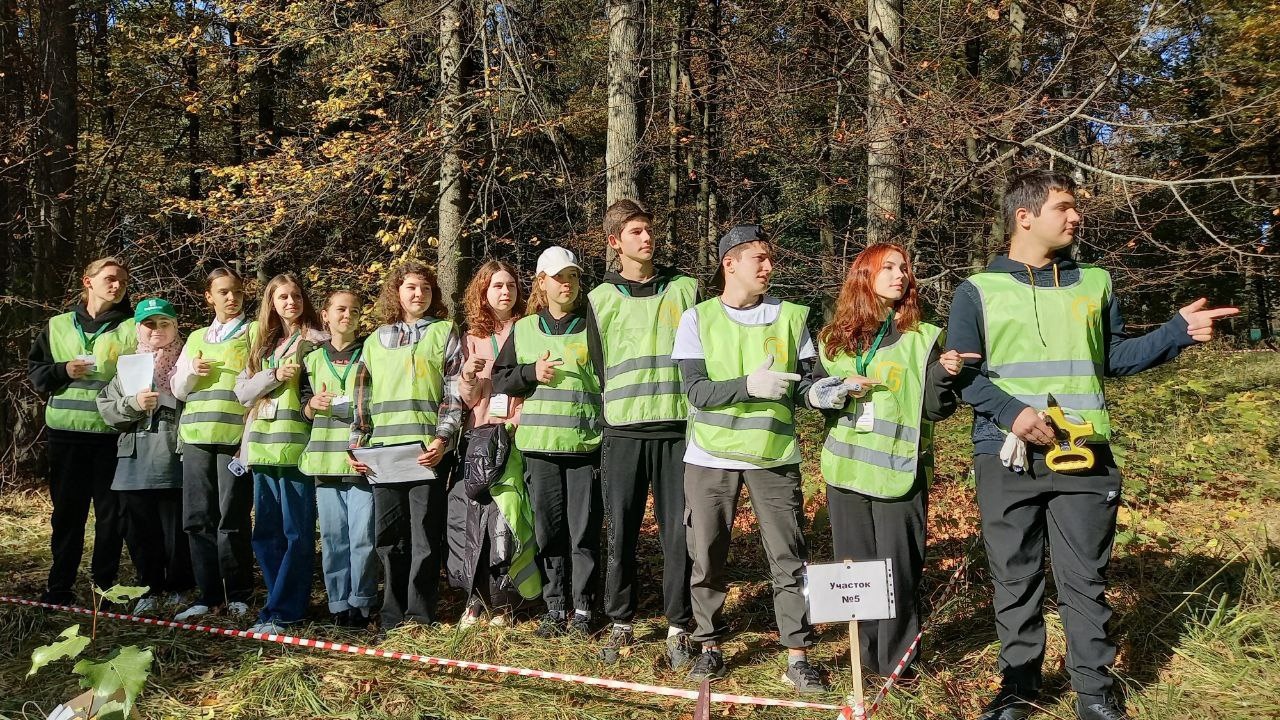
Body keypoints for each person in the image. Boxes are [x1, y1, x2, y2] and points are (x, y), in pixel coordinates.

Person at [946, 170, 1238, 720]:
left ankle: (1095, 693)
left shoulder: (1095, 282)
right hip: (1004, 455)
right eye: (1064, 207)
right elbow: (961, 376)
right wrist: (1014, 414)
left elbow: (1113, 359)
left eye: (1074, 207)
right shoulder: (976, 291)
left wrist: (1175, 331)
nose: (1075, 216)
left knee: (1085, 579)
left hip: (1085, 456)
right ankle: (1019, 687)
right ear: (1024, 216)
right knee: (1016, 577)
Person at [671, 225, 828, 694]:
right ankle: (709, 644)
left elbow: (807, 382)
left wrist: (825, 391)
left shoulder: (792, 317)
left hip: (773, 455)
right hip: (709, 456)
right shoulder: (697, 319)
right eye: (758, 258)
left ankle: (797, 653)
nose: (768, 267)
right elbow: (696, 391)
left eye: (770, 258)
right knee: (707, 553)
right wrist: (747, 386)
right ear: (730, 264)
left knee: (789, 556)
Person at [808, 243, 970, 681]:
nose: (901, 275)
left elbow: (935, 409)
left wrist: (944, 373)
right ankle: (864, 664)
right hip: (846, 473)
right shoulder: (832, 341)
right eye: (889, 267)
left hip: (901, 474)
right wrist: (837, 389)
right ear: (864, 276)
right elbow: (814, 398)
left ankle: (897, 670)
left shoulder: (924, 340)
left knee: (897, 572)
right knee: (855, 574)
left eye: (905, 268)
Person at [585, 200, 698, 667]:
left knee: (679, 535)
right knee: (622, 533)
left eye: (648, 230)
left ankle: (678, 627)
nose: (646, 238)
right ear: (615, 243)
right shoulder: (599, 298)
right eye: (635, 232)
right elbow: (598, 365)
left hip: (676, 430)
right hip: (625, 432)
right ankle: (621, 622)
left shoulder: (687, 288)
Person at [491, 246, 604, 638]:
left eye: (572, 276)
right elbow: (501, 379)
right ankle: (556, 608)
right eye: (558, 277)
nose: (567, 284)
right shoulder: (523, 329)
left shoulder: (594, 325)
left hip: (585, 446)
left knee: (584, 532)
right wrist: (530, 372)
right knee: (548, 532)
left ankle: (586, 609)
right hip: (539, 448)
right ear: (542, 282)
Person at [349, 262, 465, 631]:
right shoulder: (373, 341)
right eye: (412, 287)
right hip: (382, 456)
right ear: (396, 292)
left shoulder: (445, 332)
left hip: (426, 454)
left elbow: (453, 391)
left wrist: (443, 437)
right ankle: (391, 614)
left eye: (426, 289)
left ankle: (420, 615)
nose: (419, 294)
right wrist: (357, 445)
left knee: (426, 536)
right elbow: (361, 400)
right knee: (388, 537)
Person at [28, 257, 136, 605]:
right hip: (66, 437)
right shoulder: (57, 325)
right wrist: (63, 370)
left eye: (122, 280)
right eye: (110, 279)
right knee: (67, 516)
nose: (117, 285)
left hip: (111, 435)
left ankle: (104, 588)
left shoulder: (133, 328)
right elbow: (37, 373)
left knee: (111, 517)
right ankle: (59, 588)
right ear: (87, 282)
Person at [236, 273, 327, 633]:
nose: (291, 303)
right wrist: (273, 374)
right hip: (260, 449)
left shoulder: (317, 342)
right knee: (265, 534)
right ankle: (276, 605)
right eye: (283, 297)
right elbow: (242, 394)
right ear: (271, 304)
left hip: (295, 450)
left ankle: (286, 611)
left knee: (296, 534)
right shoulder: (261, 346)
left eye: (296, 296)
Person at [449, 260, 538, 627]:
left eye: (511, 285)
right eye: (497, 286)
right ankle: (475, 602)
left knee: (511, 521)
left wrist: (518, 422)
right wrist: (468, 376)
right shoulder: (470, 338)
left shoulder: (530, 330)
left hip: (519, 439)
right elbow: (466, 399)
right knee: (474, 523)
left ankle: (505, 603)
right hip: (480, 443)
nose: (506, 291)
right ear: (483, 293)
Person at [96, 298, 194, 615]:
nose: (157, 330)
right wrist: (134, 403)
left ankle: (180, 586)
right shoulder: (128, 366)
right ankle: (148, 587)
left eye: (164, 323)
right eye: (149, 324)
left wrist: (167, 401)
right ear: (138, 328)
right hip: (133, 461)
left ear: (176, 325)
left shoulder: (190, 361)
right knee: (140, 530)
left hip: (175, 457)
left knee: (177, 528)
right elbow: (107, 409)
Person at [170, 267, 255, 621]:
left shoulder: (253, 334)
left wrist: (248, 442)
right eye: (223, 292)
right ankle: (207, 595)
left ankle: (238, 593)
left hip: (232, 438)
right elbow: (177, 389)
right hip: (195, 439)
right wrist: (190, 370)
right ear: (209, 297)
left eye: (236, 291)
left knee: (231, 517)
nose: (231, 298)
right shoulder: (196, 337)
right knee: (197, 518)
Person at [298, 289, 378, 628]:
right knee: (333, 539)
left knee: (362, 537)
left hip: (360, 461)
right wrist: (310, 406)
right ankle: (337, 603)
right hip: (325, 462)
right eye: (340, 309)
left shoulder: (371, 354)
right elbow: (302, 406)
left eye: (355, 310)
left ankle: (361, 603)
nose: (347, 315)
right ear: (326, 315)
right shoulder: (312, 359)